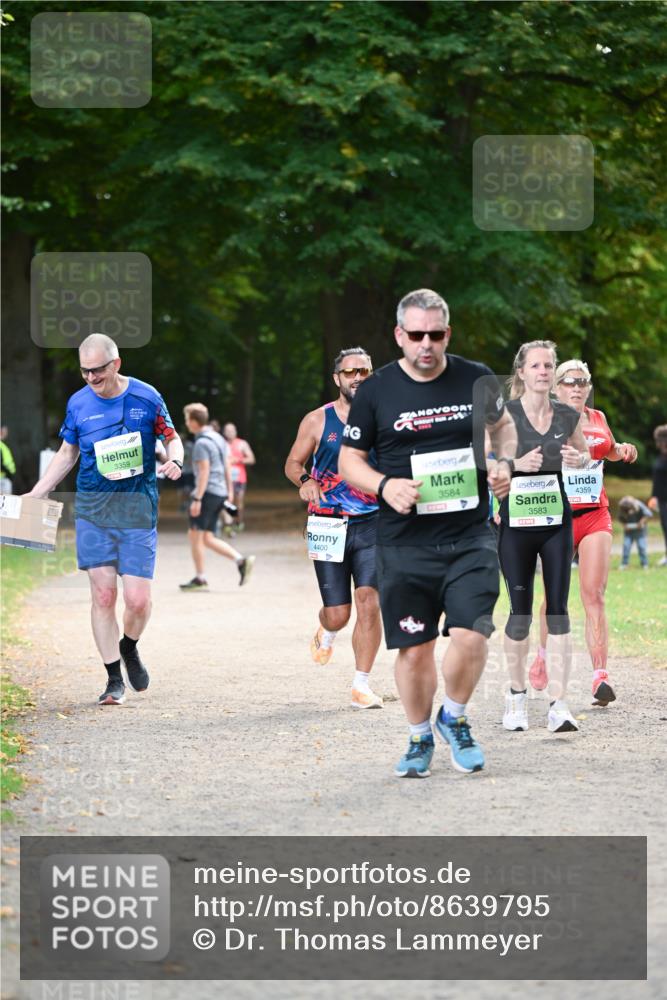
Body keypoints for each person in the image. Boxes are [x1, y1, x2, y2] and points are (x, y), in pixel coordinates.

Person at [339, 289, 516, 776]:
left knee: (472, 636)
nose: (426, 344)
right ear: (399, 335)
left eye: (435, 335)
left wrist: (501, 462)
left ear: (447, 334)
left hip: (470, 536)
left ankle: (454, 718)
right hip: (403, 542)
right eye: (415, 335)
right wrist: (384, 484)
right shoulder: (376, 389)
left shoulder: (476, 377)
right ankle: (419, 737)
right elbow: (348, 459)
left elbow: (504, 429)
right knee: (414, 653)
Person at [25, 333, 184, 706]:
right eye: (84, 371)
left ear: (116, 365)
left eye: (98, 370)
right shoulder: (78, 404)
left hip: (136, 509)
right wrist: (39, 490)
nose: (91, 378)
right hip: (94, 510)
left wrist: (175, 459)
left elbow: (172, 437)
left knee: (138, 600)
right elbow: (68, 452)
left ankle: (128, 646)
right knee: (103, 594)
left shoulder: (146, 396)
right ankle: (113, 679)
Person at [529, 359, 638, 706]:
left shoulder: (599, 418)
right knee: (553, 598)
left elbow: (608, 450)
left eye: (582, 382)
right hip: (557, 517)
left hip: (595, 514)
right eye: (569, 382)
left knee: (594, 594)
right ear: (556, 387)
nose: (576, 388)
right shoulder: (543, 419)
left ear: (589, 387)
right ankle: (542, 656)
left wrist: (622, 451)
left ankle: (600, 677)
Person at [497, 341, 590, 735]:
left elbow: (585, 454)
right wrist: (515, 464)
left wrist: (577, 459)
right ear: (521, 372)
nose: (544, 371)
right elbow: (486, 463)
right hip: (516, 525)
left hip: (556, 522)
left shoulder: (568, 415)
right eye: (536, 365)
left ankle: (559, 704)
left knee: (559, 610)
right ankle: (516, 698)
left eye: (549, 365)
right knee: (519, 613)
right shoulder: (506, 415)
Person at [284, 348, 383, 709]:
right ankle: (327, 628)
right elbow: (293, 462)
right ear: (337, 379)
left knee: (369, 601)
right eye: (350, 371)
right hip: (327, 523)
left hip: (374, 521)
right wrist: (306, 481)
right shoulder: (317, 420)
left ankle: (362, 684)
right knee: (339, 613)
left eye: (364, 371)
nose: (357, 377)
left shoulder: (385, 418)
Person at [179, 404, 255, 590]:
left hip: (207, 493)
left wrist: (196, 498)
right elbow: (227, 466)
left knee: (194, 534)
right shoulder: (218, 438)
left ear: (195, 422)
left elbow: (204, 472)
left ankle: (200, 578)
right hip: (219, 492)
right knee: (206, 537)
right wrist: (228, 491)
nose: (187, 423)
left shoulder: (201, 443)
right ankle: (240, 561)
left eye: (188, 419)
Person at [222, 422, 255, 532]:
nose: (229, 433)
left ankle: (238, 521)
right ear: (224, 432)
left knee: (238, 502)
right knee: (227, 501)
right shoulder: (222, 444)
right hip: (226, 478)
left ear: (235, 432)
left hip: (239, 478)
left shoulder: (242, 444)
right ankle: (228, 524)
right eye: (227, 430)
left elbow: (251, 459)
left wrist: (238, 460)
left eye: (232, 430)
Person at [649, 424, 667, 566]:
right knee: (665, 526)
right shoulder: (661, 456)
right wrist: (654, 496)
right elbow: (657, 480)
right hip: (662, 499)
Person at [618, 495, 652, 569]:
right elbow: (620, 518)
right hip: (629, 531)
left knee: (641, 547)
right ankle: (624, 564)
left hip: (640, 531)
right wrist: (624, 525)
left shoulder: (638, 504)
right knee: (626, 546)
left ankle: (644, 564)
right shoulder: (623, 507)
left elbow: (649, 514)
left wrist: (641, 522)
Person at [0, 426, 16, 494]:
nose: (6, 434)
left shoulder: (3, 445)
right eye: (4, 431)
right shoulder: (1, 446)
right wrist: (9, 473)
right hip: (3, 480)